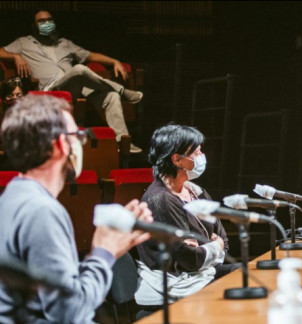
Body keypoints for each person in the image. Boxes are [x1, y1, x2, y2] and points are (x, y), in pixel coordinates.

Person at [0, 94, 152, 323]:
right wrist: (104, 252)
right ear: (61, 144)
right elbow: (69, 312)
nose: (81, 145)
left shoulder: (12, 197)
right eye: (78, 136)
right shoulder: (41, 210)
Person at [0, 10, 144, 153]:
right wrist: (15, 57)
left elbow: (91, 56)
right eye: (41, 21)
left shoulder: (64, 43)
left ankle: (122, 142)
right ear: (34, 25)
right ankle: (121, 90)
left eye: (49, 20)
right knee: (79, 69)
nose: (47, 23)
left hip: (76, 88)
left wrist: (115, 61)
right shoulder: (23, 42)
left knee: (111, 97)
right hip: (52, 91)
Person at [135, 124, 234, 308]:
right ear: (177, 160)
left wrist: (208, 247)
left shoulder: (195, 191)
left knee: (241, 272)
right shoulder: (161, 199)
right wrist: (214, 244)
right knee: (234, 289)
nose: (201, 156)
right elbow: (190, 259)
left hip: (199, 273)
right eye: (196, 152)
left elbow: (224, 241)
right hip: (176, 282)